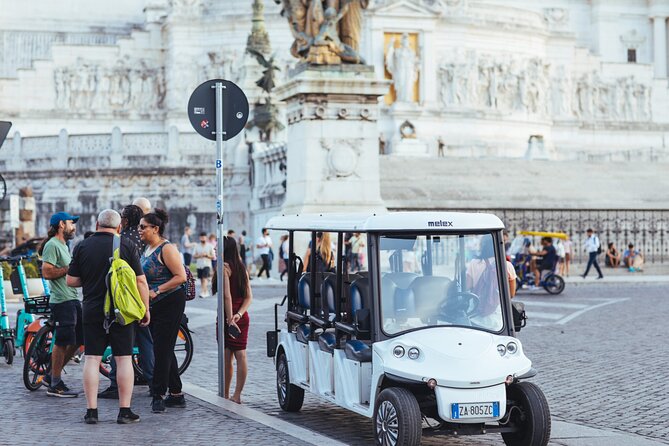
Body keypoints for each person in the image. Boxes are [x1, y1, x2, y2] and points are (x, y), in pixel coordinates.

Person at [66, 209, 150, 424]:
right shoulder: (126, 245)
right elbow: (141, 281)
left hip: (92, 310)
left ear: (97, 225)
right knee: (123, 359)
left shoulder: (82, 246)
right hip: (121, 312)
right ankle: (124, 411)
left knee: (92, 359)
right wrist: (145, 309)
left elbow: (71, 281)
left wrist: (91, 278)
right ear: (119, 227)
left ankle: (91, 412)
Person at [99, 205, 155, 400]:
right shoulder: (143, 238)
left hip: (122, 298)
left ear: (125, 220)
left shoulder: (122, 240)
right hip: (140, 295)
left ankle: (116, 383)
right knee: (146, 341)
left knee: (120, 345)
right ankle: (152, 381)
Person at [139, 209, 188, 413]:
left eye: (143, 227)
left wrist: (157, 290)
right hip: (154, 304)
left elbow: (181, 276)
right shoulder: (147, 249)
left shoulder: (166, 248)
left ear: (155, 229)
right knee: (164, 347)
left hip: (170, 301)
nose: (139, 230)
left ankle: (158, 394)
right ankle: (176, 393)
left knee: (160, 349)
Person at [39, 212, 81, 398]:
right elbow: (47, 272)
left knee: (81, 338)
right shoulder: (52, 245)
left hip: (72, 298)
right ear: (61, 225)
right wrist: (69, 269)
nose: (74, 227)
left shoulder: (64, 245)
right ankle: (55, 383)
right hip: (61, 300)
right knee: (63, 341)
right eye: (71, 223)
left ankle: (51, 375)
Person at [223, 236, 253, 404]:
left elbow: (227, 297)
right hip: (241, 317)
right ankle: (237, 395)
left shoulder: (224, 268)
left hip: (229, 317)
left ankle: (226, 394)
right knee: (241, 355)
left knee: (228, 357)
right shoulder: (242, 268)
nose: (214, 250)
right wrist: (239, 314)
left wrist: (229, 319)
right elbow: (249, 297)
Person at [193, 232, 215, 298]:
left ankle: (202, 292)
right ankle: (206, 291)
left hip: (207, 264)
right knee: (201, 279)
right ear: (200, 238)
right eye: (201, 237)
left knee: (204, 278)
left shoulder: (210, 246)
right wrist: (200, 255)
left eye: (204, 237)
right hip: (199, 265)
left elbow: (213, 256)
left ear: (206, 237)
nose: (203, 238)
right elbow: (194, 255)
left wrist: (207, 255)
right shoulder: (197, 246)